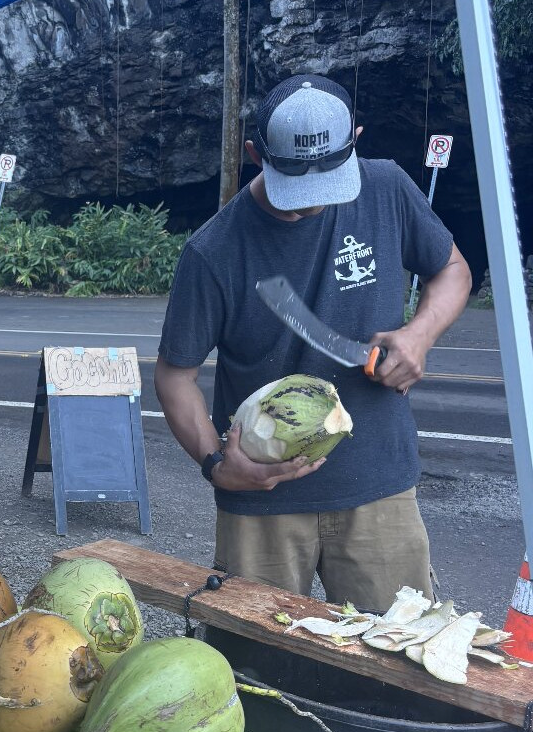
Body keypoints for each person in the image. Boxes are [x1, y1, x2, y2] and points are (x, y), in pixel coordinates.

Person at [154, 74, 472, 613]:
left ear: (357, 138)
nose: (309, 210)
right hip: (262, 499)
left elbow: (452, 270)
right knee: (261, 670)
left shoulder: (388, 188)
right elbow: (174, 376)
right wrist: (216, 464)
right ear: (256, 155)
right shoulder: (214, 251)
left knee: (399, 663)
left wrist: (419, 335)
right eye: (295, 193)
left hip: (379, 487)